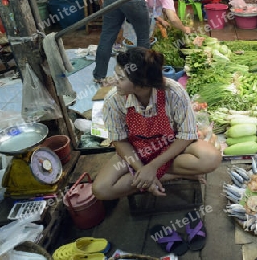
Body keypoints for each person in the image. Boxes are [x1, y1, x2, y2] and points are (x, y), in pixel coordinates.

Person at [92, 47, 222, 200]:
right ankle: (169, 176)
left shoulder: (173, 92)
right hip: (137, 152)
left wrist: (153, 167)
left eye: (121, 78)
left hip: (171, 148)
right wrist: (142, 169)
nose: (114, 82)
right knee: (101, 189)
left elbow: (187, 135)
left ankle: (155, 176)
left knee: (211, 158)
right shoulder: (114, 99)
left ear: (142, 82)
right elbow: (120, 141)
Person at [93, 0, 190, 83]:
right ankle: (142, 76)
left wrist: (161, 20)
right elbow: (173, 18)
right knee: (143, 39)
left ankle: (99, 76)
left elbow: (147, 10)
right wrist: (184, 29)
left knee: (108, 34)